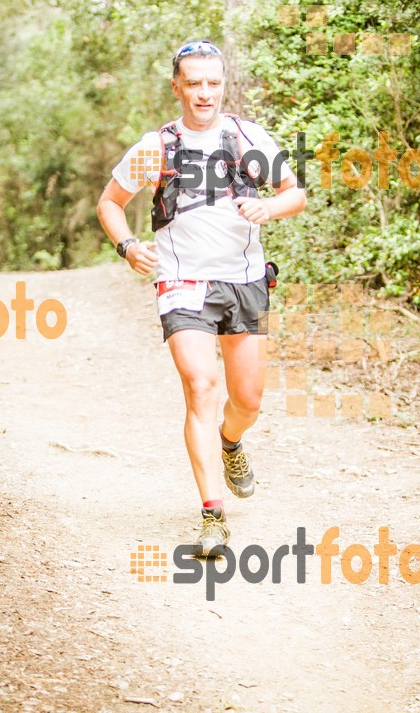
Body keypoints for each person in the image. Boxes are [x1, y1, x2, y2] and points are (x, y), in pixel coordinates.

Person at [97, 40, 306, 555]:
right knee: (200, 385)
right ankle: (214, 517)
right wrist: (127, 247)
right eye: (194, 83)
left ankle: (231, 442)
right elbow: (110, 202)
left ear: (223, 85)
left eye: (213, 82)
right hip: (181, 281)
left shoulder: (246, 137)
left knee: (248, 401)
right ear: (177, 87)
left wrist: (270, 210)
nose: (204, 93)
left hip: (244, 280)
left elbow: (294, 192)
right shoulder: (156, 147)